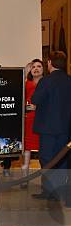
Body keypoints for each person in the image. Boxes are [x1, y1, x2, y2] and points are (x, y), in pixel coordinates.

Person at [31, 52, 71, 204]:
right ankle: (62, 191)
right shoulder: (69, 80)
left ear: (50, 63)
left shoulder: (46, 81)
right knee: (62, 160)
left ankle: (49, 191)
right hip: (65, 127)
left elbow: (35, 100)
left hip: (48, 128)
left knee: (46, 159)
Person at [21, 59, 44, 184]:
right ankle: (25, 179)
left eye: (39, 66)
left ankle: (45, 181)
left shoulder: (47, 83)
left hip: (42, 119)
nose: (36, 68)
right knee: (27, 150)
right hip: (28, 119)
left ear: (43, 69)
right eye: (33, 66)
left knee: (43, 149)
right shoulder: (26, 83)